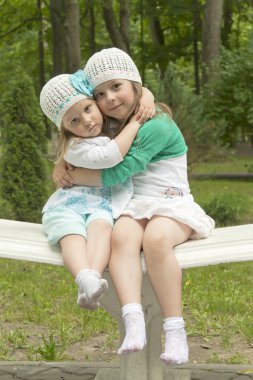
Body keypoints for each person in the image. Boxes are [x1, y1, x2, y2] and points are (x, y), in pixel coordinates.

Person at [53, 48, 215, 365]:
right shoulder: (114, 127)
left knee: (156, 239)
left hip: (171, 202)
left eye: (117, 86)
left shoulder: (157, 125)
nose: (110, 98)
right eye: (100, 93)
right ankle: (133, 320)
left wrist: (76, 176)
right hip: (136, 205)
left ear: (134, 84)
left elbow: (121, 170)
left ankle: (175, 329)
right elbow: (80, 142)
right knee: (122, 237)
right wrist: (60, 163)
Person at [40, 71, 154, 310]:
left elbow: (134, 89)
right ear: (66, 130)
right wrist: (136, 123)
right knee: (72, 234)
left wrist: (147, 97)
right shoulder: (75, 146)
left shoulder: (108, 126)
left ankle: (91, 283)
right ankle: (83, 276)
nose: (86, 121)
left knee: (102, 229)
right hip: (68, 205)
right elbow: (110, 156)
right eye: (74, 121)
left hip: (101, 203)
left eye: (88, 109)